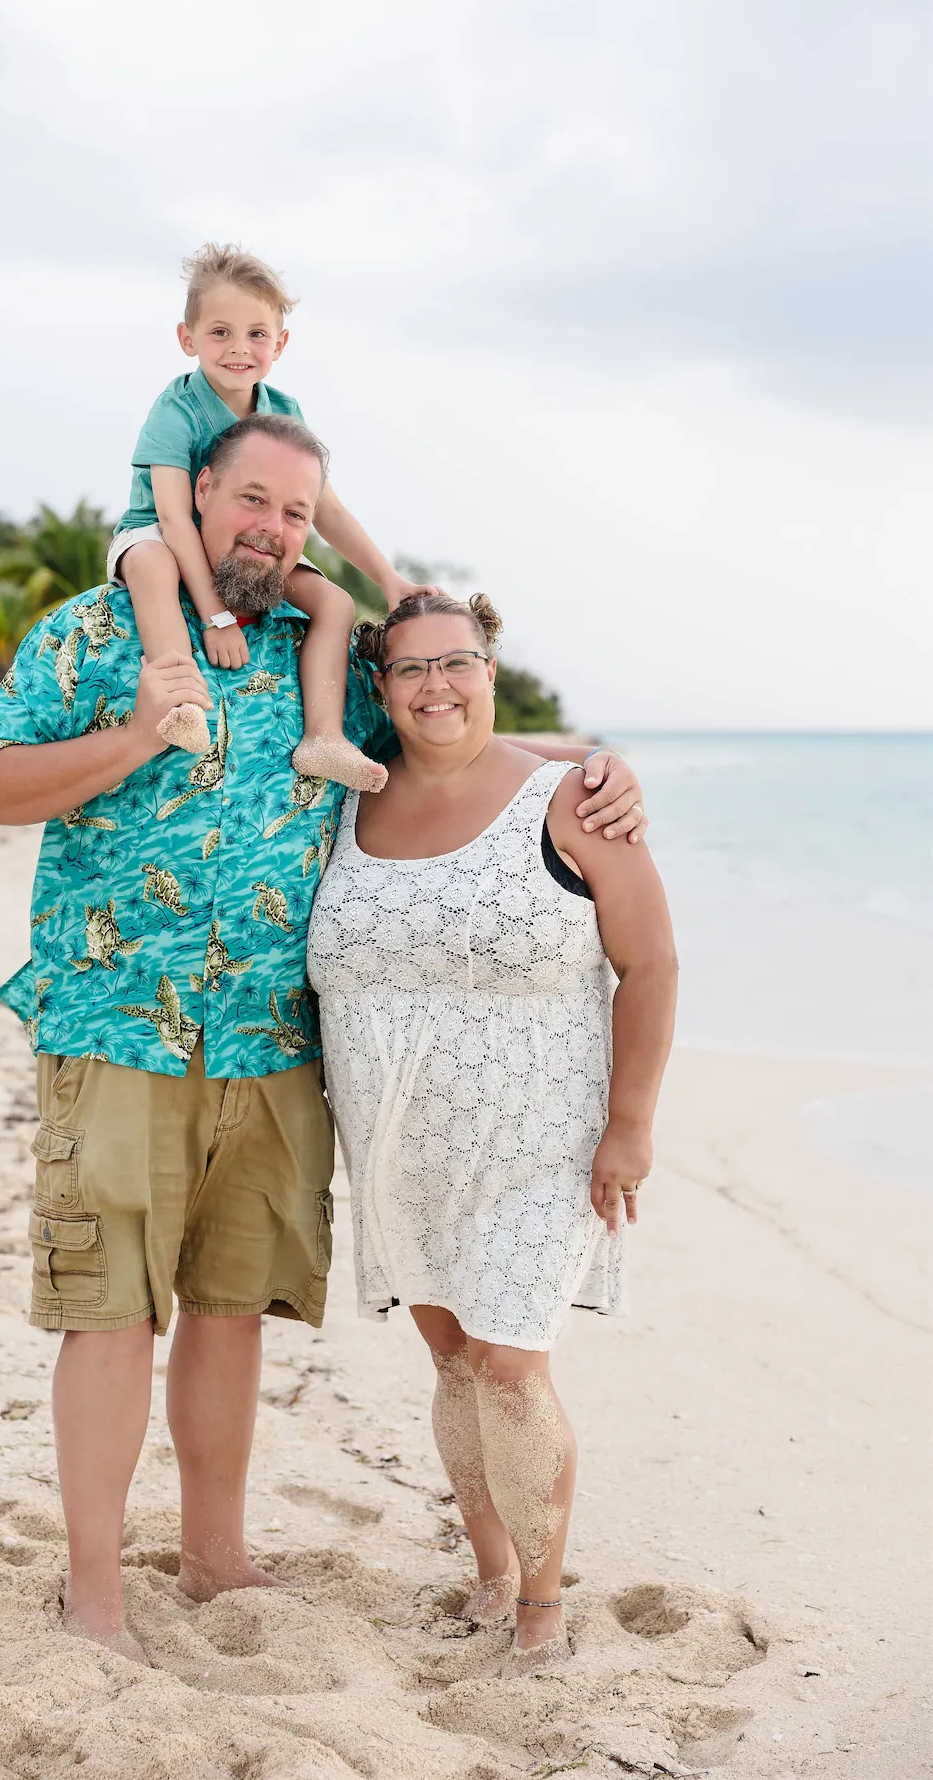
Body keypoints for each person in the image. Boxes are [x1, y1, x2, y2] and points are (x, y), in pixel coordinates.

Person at [0, 414, 649, 1661]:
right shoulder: (94, 629)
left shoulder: (325, 661)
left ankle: (215, 1560)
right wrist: (131, 740)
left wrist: (587, 773)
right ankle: (96, 1591)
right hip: (117, 1028)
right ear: (196, 496)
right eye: (253, 501)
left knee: (231, 1311)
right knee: (110, 1315)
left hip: (279, 1048)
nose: (272, 530)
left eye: (296, 513)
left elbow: (451, 747)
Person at [307, 591, 678, 1676]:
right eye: (411, 669)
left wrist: (632, 1126)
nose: (436, 686)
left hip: (542, 1144)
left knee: (510, 1365)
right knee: (456, 1363)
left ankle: (544, 1608)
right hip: (394, 1148)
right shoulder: (345, 801)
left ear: (491, 669)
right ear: (380, 691)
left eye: (456, 662)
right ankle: (489, 1572)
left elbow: (648, 965)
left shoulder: (569, 801)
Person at [109, 241, 431, 792]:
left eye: (257, 334)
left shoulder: (284, 412)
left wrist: (389, 579)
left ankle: (324, 738)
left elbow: (323, 508)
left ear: (280, 344)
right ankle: (181, 702)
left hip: (254, 541)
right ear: (187, 338)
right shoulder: (175, 411)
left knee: (335, 601)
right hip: (162, 532)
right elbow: (173, 515)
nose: (239, 348)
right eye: (220, 332)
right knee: (153, 566)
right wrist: (216, 616)